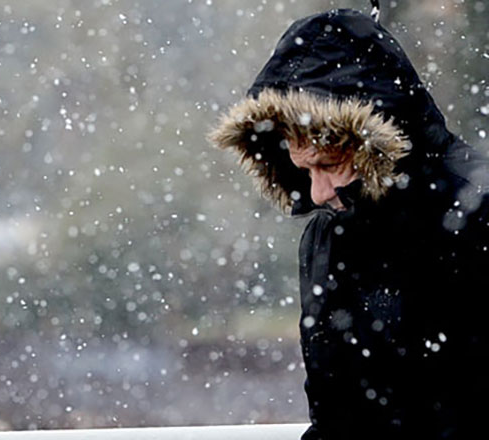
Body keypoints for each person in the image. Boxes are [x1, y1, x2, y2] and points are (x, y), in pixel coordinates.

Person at [209, 8, 489, 440]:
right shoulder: (328, 238)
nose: (317, 193)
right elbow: (337, 419)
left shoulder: (477, 214)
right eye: (304, 170)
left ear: (376, 140)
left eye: (329, 165)